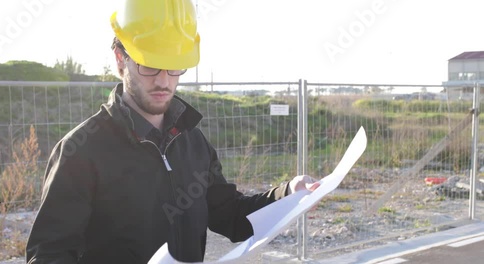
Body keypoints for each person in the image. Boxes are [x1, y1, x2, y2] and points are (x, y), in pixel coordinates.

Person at [25, 0, 320, 263]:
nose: (164, 81)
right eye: (151, 65)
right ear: (120, 58)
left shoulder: (192, 140)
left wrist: (288, 194)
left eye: (174, 67)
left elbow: (229, 215)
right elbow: (48, 253)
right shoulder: (81, 150)